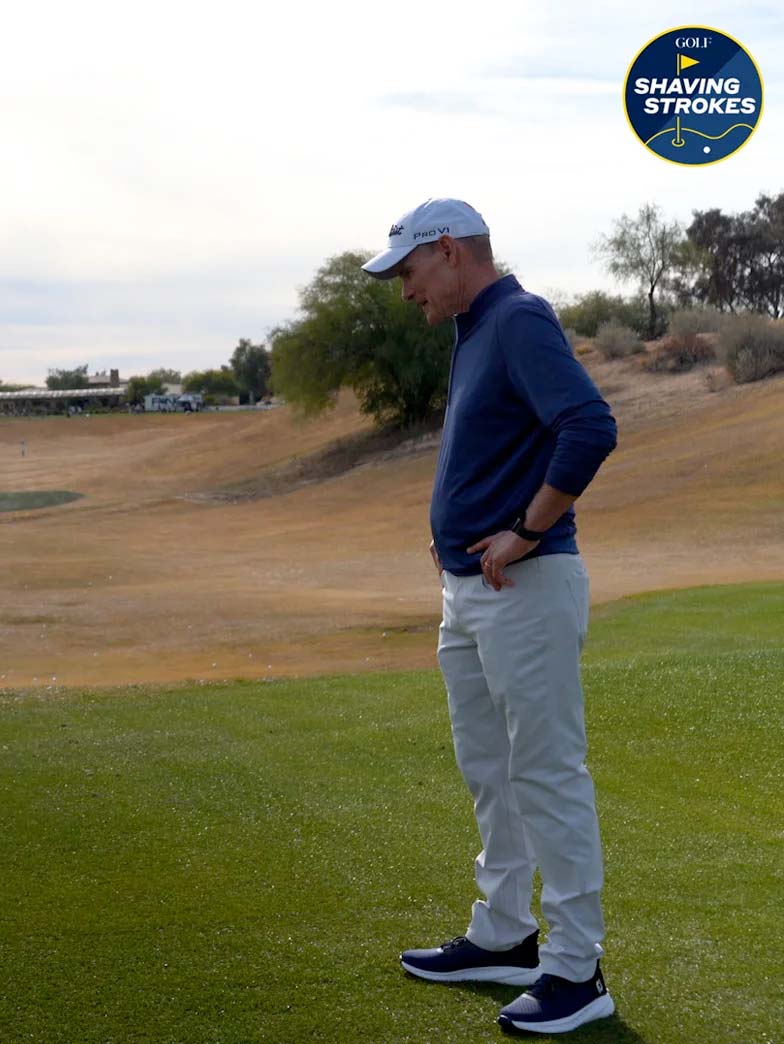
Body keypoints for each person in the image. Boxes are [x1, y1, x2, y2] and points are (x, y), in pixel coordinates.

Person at [363, 199, 619, 1034]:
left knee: (547, 772)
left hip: (527, 585)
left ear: (448, 251)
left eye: (408, 273)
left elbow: (589, 426)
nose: (405, 292)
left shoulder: (516, 319)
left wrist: (527, 527)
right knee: (492, 771)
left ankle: (577, 973)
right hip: (470, 591)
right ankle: (505, 934)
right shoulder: (473, 331)